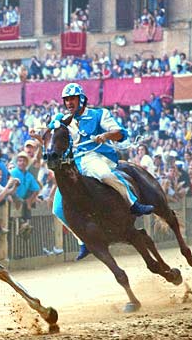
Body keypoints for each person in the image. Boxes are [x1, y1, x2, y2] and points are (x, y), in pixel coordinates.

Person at [52, 83, 155, 260]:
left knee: (105, 175)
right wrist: (37, 135)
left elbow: (120, 133)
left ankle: (133, 203)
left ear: (81, 99)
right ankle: (83, 241)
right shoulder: (61, 120)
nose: (69, 103)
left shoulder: (99, 114)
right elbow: (50, 135)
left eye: (72, 99)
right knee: (57, 208)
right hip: (73, 164)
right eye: (66, 100)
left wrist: (105, 136)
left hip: (93, 156)